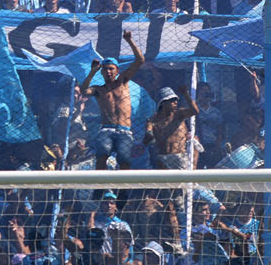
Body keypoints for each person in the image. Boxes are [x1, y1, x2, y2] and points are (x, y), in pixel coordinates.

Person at [80, 32, 145, 170]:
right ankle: (100, 183)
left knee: (124, 160)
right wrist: (92, 71)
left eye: (111, 69)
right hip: (106, 129)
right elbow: (84, 91)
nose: (108, 72)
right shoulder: (99, 89)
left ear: (117, 71)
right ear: (102, 72)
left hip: (125, 130)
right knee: (102, 155)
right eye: (105, 69)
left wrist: (129, 40)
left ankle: (124, 185)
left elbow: (140, 60)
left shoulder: (123, 82)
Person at [147, 86, 200, 170]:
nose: (176, 102)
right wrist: (149, 131)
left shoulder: (179, 114)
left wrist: (186, 95)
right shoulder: (154, 120)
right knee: (164, 178)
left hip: (179, 156)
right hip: (162, 157)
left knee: (182, 177)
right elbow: (148, 137)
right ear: (163, 103)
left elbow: (195, 111)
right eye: (172, 100)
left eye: (176, 100)